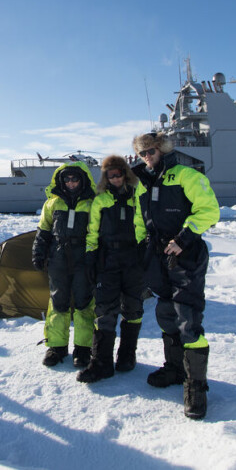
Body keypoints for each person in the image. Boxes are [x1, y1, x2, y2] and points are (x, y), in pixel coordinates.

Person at [131, 132, 219, 420]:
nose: (147, 157)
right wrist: (140, 249)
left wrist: (183, 239)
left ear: (162, 150)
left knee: (188, 319)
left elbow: (209, 211)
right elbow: (140, 221)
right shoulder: (143, 183)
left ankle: (196, 387)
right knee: (166, 312)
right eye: (142, 153)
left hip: (186, 254)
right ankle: (175, 368)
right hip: (158, 257)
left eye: (151, 152)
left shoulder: (185, 176)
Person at [77, 155, 147, 384]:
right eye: (111, 175)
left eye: (118, 174)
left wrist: (145, 254)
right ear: (106, 178)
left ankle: (127, 356)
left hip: (133, 259)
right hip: (108, 260)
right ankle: (101, 363)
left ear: (125, 174)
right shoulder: (101, 201)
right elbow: (92, 233)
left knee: (133, 309)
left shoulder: (138, 196)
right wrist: (90, 257)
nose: (115, 179)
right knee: (105, 311)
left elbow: (145, 225)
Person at [31, 161, 97, 368]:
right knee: (58, 301)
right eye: (66, 179)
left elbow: (97, 233)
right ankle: (57, 347)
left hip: (82, 257)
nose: (70, 182)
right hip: (58, 256)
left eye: (75, 178)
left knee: (83, 302)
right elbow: (44, 231)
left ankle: (83, 349)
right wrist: (38, 253)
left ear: (83, 180)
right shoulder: (52, 204)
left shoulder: (92, 203)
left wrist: (96, 258)